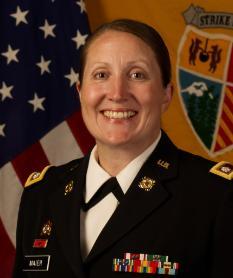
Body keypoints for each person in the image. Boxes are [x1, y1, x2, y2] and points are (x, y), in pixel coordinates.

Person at [13, 19, 233, 278]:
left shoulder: (216, 197)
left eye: (137, 74)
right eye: (101, 75)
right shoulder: (41, 194)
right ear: (81, 92)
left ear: (166, 94)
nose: (117, 93)